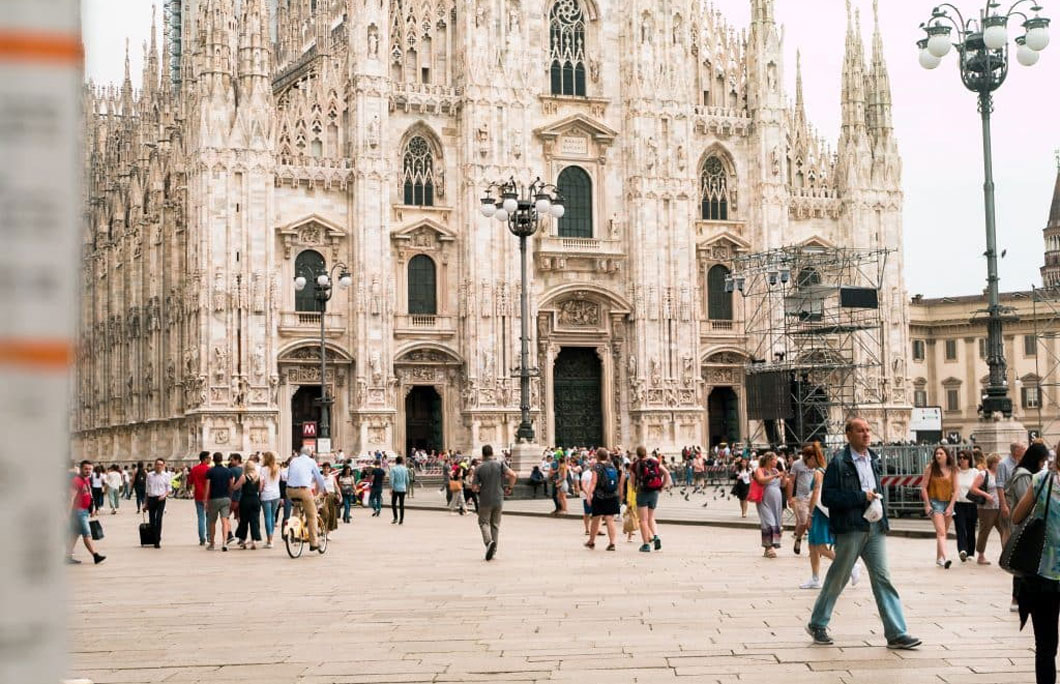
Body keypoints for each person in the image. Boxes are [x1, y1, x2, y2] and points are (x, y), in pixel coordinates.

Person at [806, 417, 920, 650]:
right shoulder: (838, 463)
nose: (866, 434)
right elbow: (827, 498)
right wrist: (860, 497)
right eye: (860, 430)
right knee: (839, 577)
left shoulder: (874, 460)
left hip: (874, 527)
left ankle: (897, 632)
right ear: (849, 434)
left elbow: (876, 491)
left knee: (883, 577)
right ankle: (818, 623)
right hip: (851, 527)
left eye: (868, 430)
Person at [1010, 449, 1059, 684]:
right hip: (1045, 577)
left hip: (1043, 575)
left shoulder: (1041, 479)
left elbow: (1016, 516)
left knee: (1045, 647)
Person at [1008, 442, 1051, 612]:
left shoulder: (1028, 474)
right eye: (1041, 461)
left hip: (1029, 526)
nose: (1042, 465)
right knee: (1022, 565)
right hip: (1026, 527)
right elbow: (1028, 503)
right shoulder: (1024, 476)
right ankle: (1016, 599)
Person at [470, 444, 516, 561]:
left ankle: (489, 542)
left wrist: (479, 488)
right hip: (499, 498)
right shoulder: (500, 464)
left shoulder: (479, 468)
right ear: (492, 453)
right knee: (495, 525)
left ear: (483, 454)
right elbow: (513, 475)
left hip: (485, 499)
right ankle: (493, 551)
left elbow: (474, 487)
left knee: (483, 522)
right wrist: (510, 487)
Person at [920, 446, 957, 569]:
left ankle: (939, 558)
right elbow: (924, 487)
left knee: (943, 533)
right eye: (936, 454)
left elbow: (956, 490)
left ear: (946, 455)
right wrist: (927, 504)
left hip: (948, 502)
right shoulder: (931, 468)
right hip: (935, 502)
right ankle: (945, 558)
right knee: (941, 532)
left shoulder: (953, 470)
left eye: (941, 453)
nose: (938, 456)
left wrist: (951, 506)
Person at [285, 446, 328, 551]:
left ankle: (294, 533)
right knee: (312, 515)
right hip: (303, 491)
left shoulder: (293, 461)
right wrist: (324, 490)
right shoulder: (311, 461)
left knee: (296, 507)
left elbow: (289, 475)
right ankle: (314, 542)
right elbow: (319, 478)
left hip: (289, 490)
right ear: (309, 453)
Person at [632, 446, 671, 553]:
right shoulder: (654, 461)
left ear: (637, 454)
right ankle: (656, 536)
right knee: (651, 517)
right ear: (646, 453)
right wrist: (662, 486)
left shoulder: (635, 465)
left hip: (642, 492)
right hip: (654, 491)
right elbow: (667, 473)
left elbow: (632, 481)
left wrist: (635, 489)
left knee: (643, 520)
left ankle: (646, 544)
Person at [67, 460, 106, 565]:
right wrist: (68, 514)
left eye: (90, 469)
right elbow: (71, 498)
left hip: (84, 510)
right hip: (78, 511)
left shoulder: (87, 480)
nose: (88, 471)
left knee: (75, 534)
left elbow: (88, 495)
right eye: (86, 469)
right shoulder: (76, 481)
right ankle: (95, 555)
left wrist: (91, 508)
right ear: (81, 469)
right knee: (87, 533)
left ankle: (67, 556)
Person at [970, 453, 1005, 566]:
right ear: (992, 463)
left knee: (1004, 531)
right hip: (986, 508)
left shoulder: (1001, 474)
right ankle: (981, 555)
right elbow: (973, 488)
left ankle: (1005, 555)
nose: (1000, 465)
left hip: (1000, 506)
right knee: (985, 531)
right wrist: (986, 495)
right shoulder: (984, 474)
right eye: (997, 463)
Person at [584, 448, 622, 551]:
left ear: (597, 456)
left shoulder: (597, 467)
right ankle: (612, 543)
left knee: (596, 518)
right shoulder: (612, 465)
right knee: (610, 519)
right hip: (612, 495)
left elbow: (593, 482)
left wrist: (589, 494)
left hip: (600, 496)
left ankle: (591, 541)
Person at [754, 452, 785, 558]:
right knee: (768, 522)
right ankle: (768, 547)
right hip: (764, 499)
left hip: (776, 501)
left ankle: (771, 546)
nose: (776, 462)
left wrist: (784, 477)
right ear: (768, 460)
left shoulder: (775, 470)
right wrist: (775, 476)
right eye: (774, 460)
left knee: (776, 522)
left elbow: (783, 484)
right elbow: (761, 480)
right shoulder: (760, 470)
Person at [789, 446, 817, 556]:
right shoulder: (797, 464)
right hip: (801, 497)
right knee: (804, 522)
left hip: (814, 496)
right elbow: (791, 481)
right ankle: (799, 538)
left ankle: (813, 547)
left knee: (813, 523)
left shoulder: (816, 464)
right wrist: (790, 497)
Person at [203, 452, 234, 551]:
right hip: (225, 498)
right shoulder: (228, 471)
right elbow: (231, 486)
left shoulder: (210, 472)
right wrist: (229, 496)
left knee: (212, 522)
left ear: (213, 459)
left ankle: (212, 543)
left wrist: (205, 500)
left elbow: (207, 487)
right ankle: (225, 542)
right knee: (224, 520)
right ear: (222, 459)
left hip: (214, 498)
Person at [953, 450, 979, 563]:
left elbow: (979, 486)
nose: (962, 459)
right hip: (958, 503)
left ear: (969, 459)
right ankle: (962, 549)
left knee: (970, 528)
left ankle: (971, 552)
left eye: (964, 457)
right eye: (960, 457)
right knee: (960, 527)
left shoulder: (974, 472)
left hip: (972, 504)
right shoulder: (955, 472)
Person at [232, 460, 262, 550]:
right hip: (255, 500)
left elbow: (235, 487)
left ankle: (243, 540)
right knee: (255, 521)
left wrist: (233, 483)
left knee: (244, 520)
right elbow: (260, 489)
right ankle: (254, 541)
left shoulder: (244, 477)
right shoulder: (258, 477)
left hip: (245, 499)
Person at [145, 458, 172, 549]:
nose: (159, 466)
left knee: (159, 519)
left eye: (161, 465)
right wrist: (145, 503)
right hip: (151, 498)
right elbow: (147, 490)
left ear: (163, 466)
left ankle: (157, 540)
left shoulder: (166, 476)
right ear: (154, 465)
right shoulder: (149, 475)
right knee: (152, 520)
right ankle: (154, 537)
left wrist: (164, 495)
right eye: (157, 464)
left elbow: (169, 489)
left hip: (161, 499)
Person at [188, 451, 211, 546]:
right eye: (209, 458)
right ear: (205, 459)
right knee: (209, 517)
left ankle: (202, 538)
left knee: (201, 517)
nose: (210, 459)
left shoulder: (194, 469)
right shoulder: (209, 469)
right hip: (209, 496)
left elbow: (190, 481)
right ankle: (209, 536)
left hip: (198, 495)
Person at [259, 452, 281, 548]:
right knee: (272, 516)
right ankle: (271, 539)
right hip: (276, 494)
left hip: (266, 495)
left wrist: (259, 491)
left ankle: (269, 540)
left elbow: (262, 483)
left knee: (267, 517)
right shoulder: (277, 468)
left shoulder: (263, 470)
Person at [226, 453, 244, 543]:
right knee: (239, 518)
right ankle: (242, 537)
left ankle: (229, 534)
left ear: (237, 460)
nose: (231, 461)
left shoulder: (232, 470)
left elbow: (231, 484)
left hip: (233, 497)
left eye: (232, 460)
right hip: (242, 497)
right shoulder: (244, 470)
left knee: (225, 516)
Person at [389, 455, 410, 524]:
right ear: (402, 461)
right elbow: (407, 480)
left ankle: (395, 517)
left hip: (395, 488)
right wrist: (407, 488)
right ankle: (401, 519)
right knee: (401, 504)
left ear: (396, 461)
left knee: (393, 503)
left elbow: (391, 480)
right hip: (403, 488)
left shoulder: (393, 469)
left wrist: (391, 488)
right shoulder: (405, 469)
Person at [622, 462, 639, 542]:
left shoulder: (631, 478)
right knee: (636, 519)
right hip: (638, 501)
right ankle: (648, 536)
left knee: (631, 518)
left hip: (633, 501)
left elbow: (630, 491)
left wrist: (628, 501)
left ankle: (629, 535)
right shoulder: (638, 478)